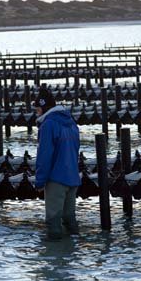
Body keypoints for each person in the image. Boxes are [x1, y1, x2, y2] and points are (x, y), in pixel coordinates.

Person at [33, 86, 81, 240]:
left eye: (37, 109)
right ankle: (72, 250)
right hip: (73, 178)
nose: (36, 112)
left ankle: (54, 256)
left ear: (44, 107)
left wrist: (40, 181)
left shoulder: (48, 125)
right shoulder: (71, 122)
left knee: (53, 220)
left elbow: (44, 156)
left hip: (56, 179)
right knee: (69, 218)